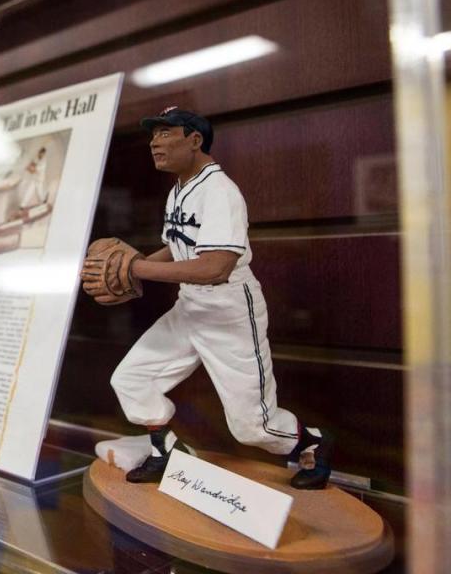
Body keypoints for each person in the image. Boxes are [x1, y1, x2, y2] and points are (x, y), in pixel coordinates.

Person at [81, 107, 332, 490]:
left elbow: (216, 267)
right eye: (154, 134)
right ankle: (167, 452)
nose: (155, 142)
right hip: (190, 306)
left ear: (195, 140)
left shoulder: (220, 192)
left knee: (251, 426)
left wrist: (136, 269)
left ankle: (310, 441)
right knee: (131, 380)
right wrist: (136, 266)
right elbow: (177, 246)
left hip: (229, 310)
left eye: (166, 133)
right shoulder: (179, 188)